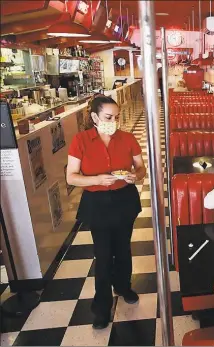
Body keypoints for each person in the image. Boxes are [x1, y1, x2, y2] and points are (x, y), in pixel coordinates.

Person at [66, 94, 146, 329]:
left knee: (123, 248)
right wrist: (97, 179)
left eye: (117, 117)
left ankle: (123, 286)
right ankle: (101, 307)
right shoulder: (80, 141)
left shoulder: (127, 138)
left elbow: (140, 167)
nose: (114, 121)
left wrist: (135, 176)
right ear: (94, 117)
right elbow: (71, 176)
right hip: (97, 202)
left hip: (124, 199)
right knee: (103, 255)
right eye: (108, 117)